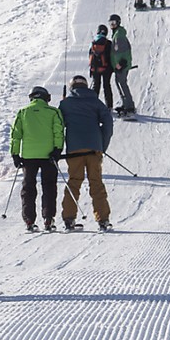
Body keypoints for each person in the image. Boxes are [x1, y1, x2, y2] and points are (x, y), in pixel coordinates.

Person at [59, 75, 114, 231]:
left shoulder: (65, 104)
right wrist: (102, 145)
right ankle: (103, 220)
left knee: (74, 181)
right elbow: (108, 122)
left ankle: (69, 220)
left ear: (71, 87)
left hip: (74, 149)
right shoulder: (95, 102)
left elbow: (57, 125)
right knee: (96, 183)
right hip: (93, 149)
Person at [10, 86, 64, 232]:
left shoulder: (23, 112)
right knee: (49, 186)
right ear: (47, 98)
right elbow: (58, 132)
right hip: (49, 156)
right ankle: (48, 218)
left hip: (28, 156)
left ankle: (29, 219)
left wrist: (15, 154)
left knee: (28, 187)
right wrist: (57, 150)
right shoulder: (53, 112)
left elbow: (16, 135)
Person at [108, 14, 135, 115]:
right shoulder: (117, 33)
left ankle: (129, 107)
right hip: (119, 66)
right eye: (110, 23)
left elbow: (123, 51)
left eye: (114, 23)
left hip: (121, 66)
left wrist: (121, 64)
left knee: (122, 83)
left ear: (118, 23)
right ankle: (126, 104)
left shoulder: (119, 35)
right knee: (119, 83)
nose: (112, 25)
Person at [89, 25, 114, 109]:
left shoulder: (93, 43)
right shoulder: (108, 43)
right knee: (107, 85)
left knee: (96, 85)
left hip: (95, 68)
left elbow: (90, 55)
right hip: (106, 68)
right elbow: (112, 56)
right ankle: (109, 106)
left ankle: (93, 105)